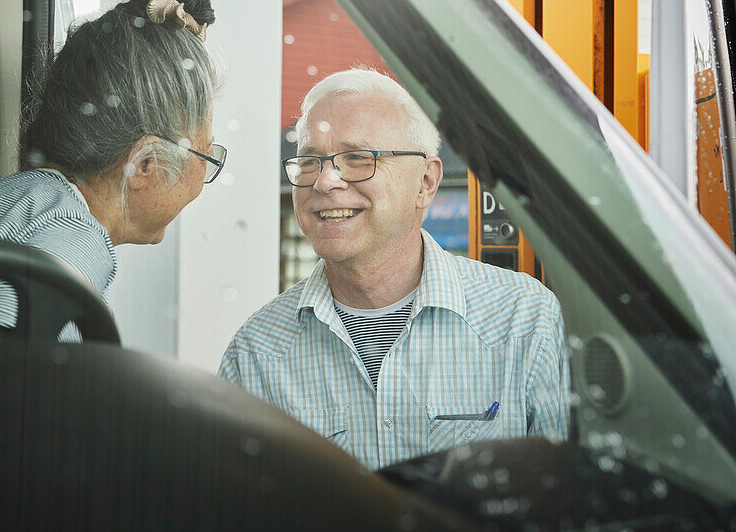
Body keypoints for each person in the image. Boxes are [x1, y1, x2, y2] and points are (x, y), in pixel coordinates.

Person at [218, 68, 569, 470]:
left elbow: (568, 506)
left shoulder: (523, 321)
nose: (326, 181)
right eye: (310, 161)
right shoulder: (257, 353)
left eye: (356, 158)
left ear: (425, 182)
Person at [0, 0, 226, 336]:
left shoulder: (17, 201)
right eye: (207, 157)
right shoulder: (72, 234)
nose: (203, 180)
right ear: (144, 164)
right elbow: (21, 381)